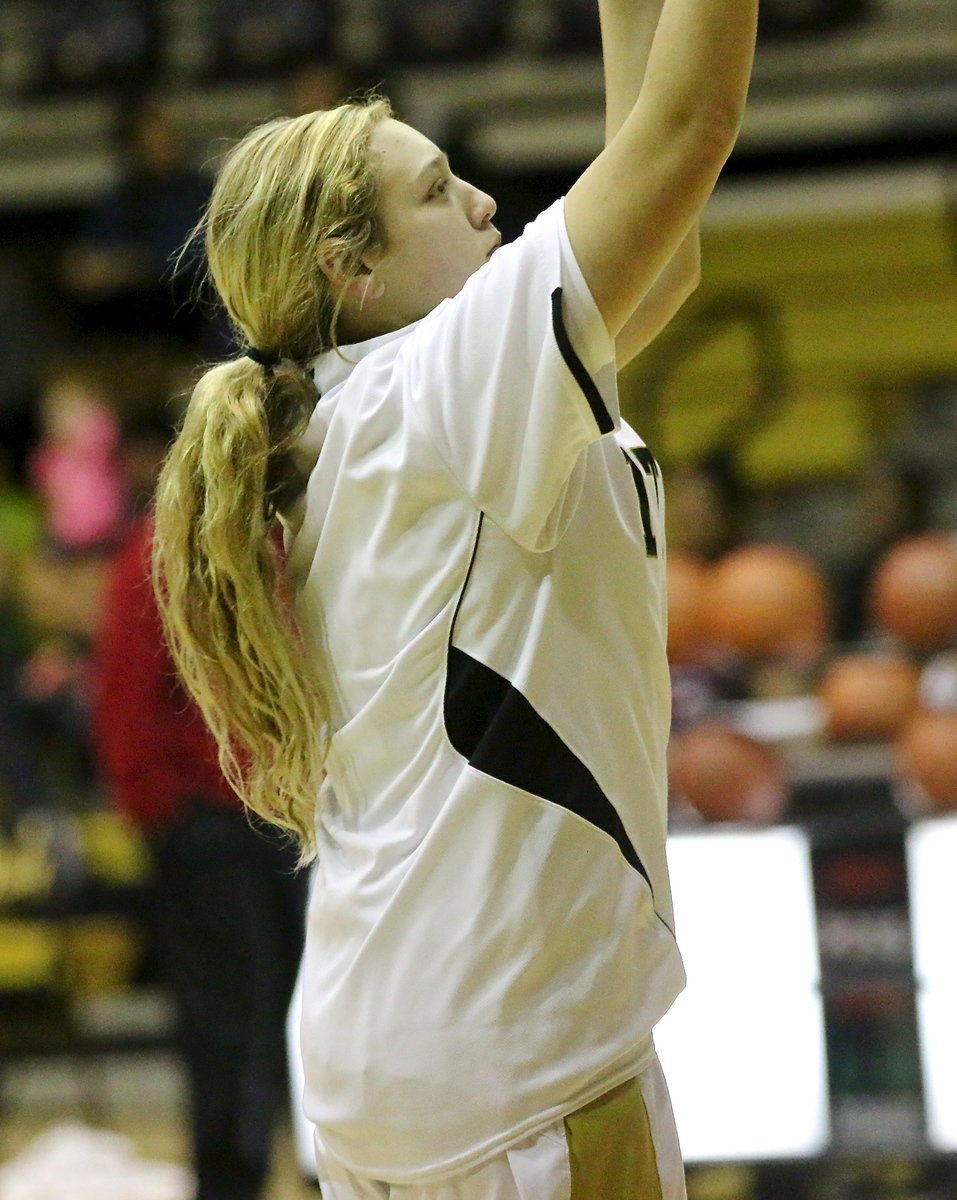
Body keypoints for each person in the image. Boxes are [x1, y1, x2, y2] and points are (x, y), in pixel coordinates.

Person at [151, 0, 758, 1195]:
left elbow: (668, 246)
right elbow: (688, 124)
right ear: (355, 269)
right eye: (437, 191)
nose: (484, 201)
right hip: (518, 1057)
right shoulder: (443, 380)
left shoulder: (358, 413)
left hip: (386, 1060)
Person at [92, 414, 307, 1200]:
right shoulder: (163, 548)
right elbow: (124, 699)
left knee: (309, 1014)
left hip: (290, 819)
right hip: (210, 827)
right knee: (229, 1025)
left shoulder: (282, 540)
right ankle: (229, 1185)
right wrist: (164, 814)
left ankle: (320, 1174)